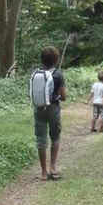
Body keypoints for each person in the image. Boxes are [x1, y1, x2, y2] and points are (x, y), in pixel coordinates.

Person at [33, 46, 67, 181]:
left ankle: (43, 172)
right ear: (56, 59)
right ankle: (52, 167)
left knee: (41, 140)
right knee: (55, 136)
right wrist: (58, 94)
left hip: (38, 108)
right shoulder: (58, 74)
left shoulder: (36, 73)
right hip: (52, 108)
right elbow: (64, 97)